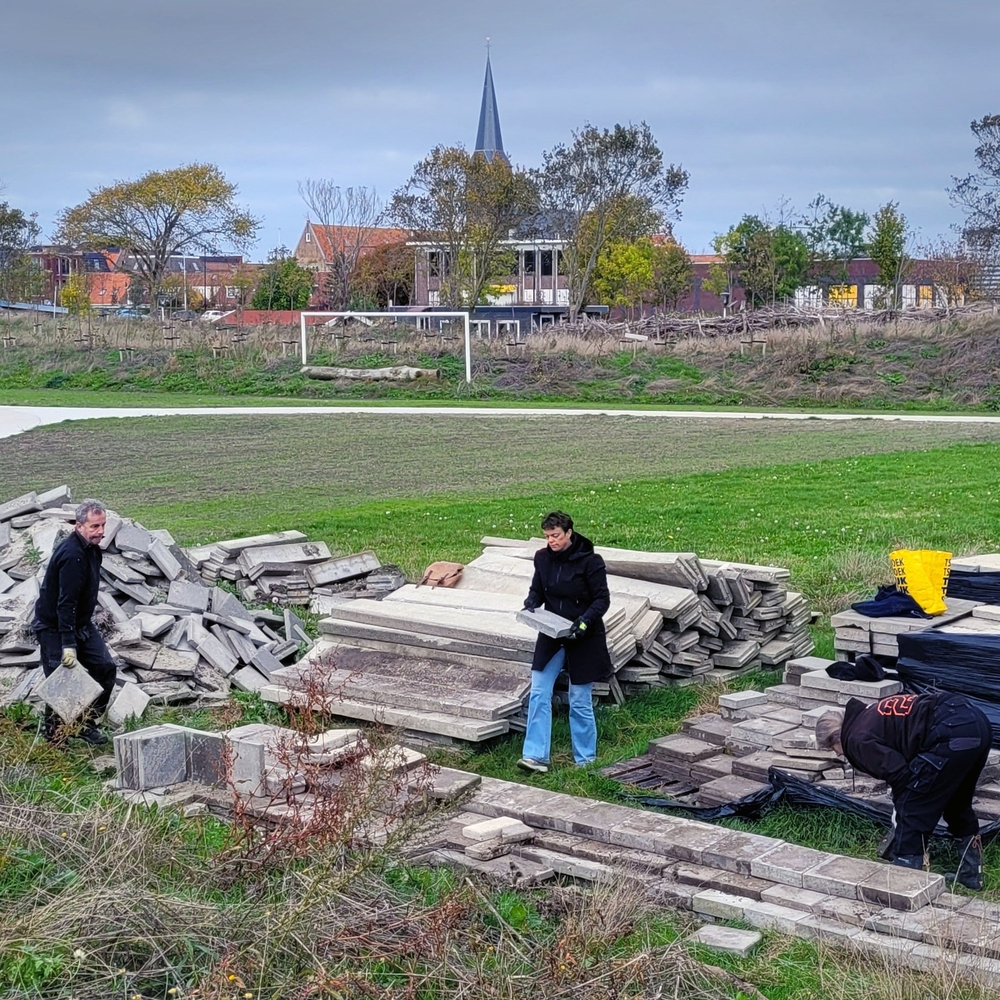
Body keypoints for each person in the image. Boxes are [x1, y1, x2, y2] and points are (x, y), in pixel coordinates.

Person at [815, 691, 991, 890]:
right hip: (975, 722)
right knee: (957, 802)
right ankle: (971, 876)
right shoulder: (868, 716)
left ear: (835, 739)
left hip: (949, 732)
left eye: (833, 749)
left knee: (913, 807)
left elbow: (902, 776)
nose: (838, 753)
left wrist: (903, 816)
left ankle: (905, 884)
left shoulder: (856, 741)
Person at [517, 511, 612, 774]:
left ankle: (586, 760)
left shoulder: (591, 562)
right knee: (538, 692)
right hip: (551, 633)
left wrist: (584, 622)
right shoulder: (542, 558)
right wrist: (532, 603)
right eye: (547, 536)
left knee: (579, 699)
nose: (551, 541)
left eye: (556, 536)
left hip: (584, 634)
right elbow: (537, 589)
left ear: (569, 533)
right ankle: (535, 757)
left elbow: (602, 600)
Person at [32, 499, 116, 746]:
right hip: (54, 628)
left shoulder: (92, 551)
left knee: (105, 668)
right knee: (62, 683)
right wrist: (68, 644)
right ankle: (55, 741)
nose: (100, 531)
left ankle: (83, 723)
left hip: (80, 624)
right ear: (79, 526)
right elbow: (64, 603)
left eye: (102, 525)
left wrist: (80, 629)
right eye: (94, 526)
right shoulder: (72, 556)